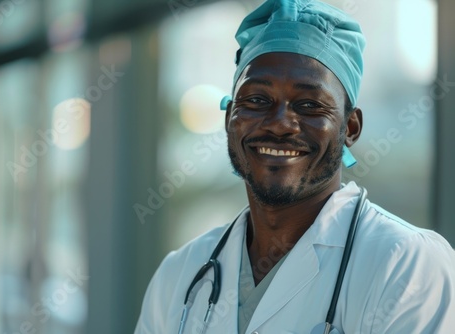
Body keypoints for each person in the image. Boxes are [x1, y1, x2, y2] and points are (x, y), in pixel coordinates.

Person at [135, 0, 455, 333]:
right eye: (257, 100)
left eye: (309, 105)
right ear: (229, 117)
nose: (280, 124)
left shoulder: (407, 264)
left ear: (351, 128)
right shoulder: (180, 275)